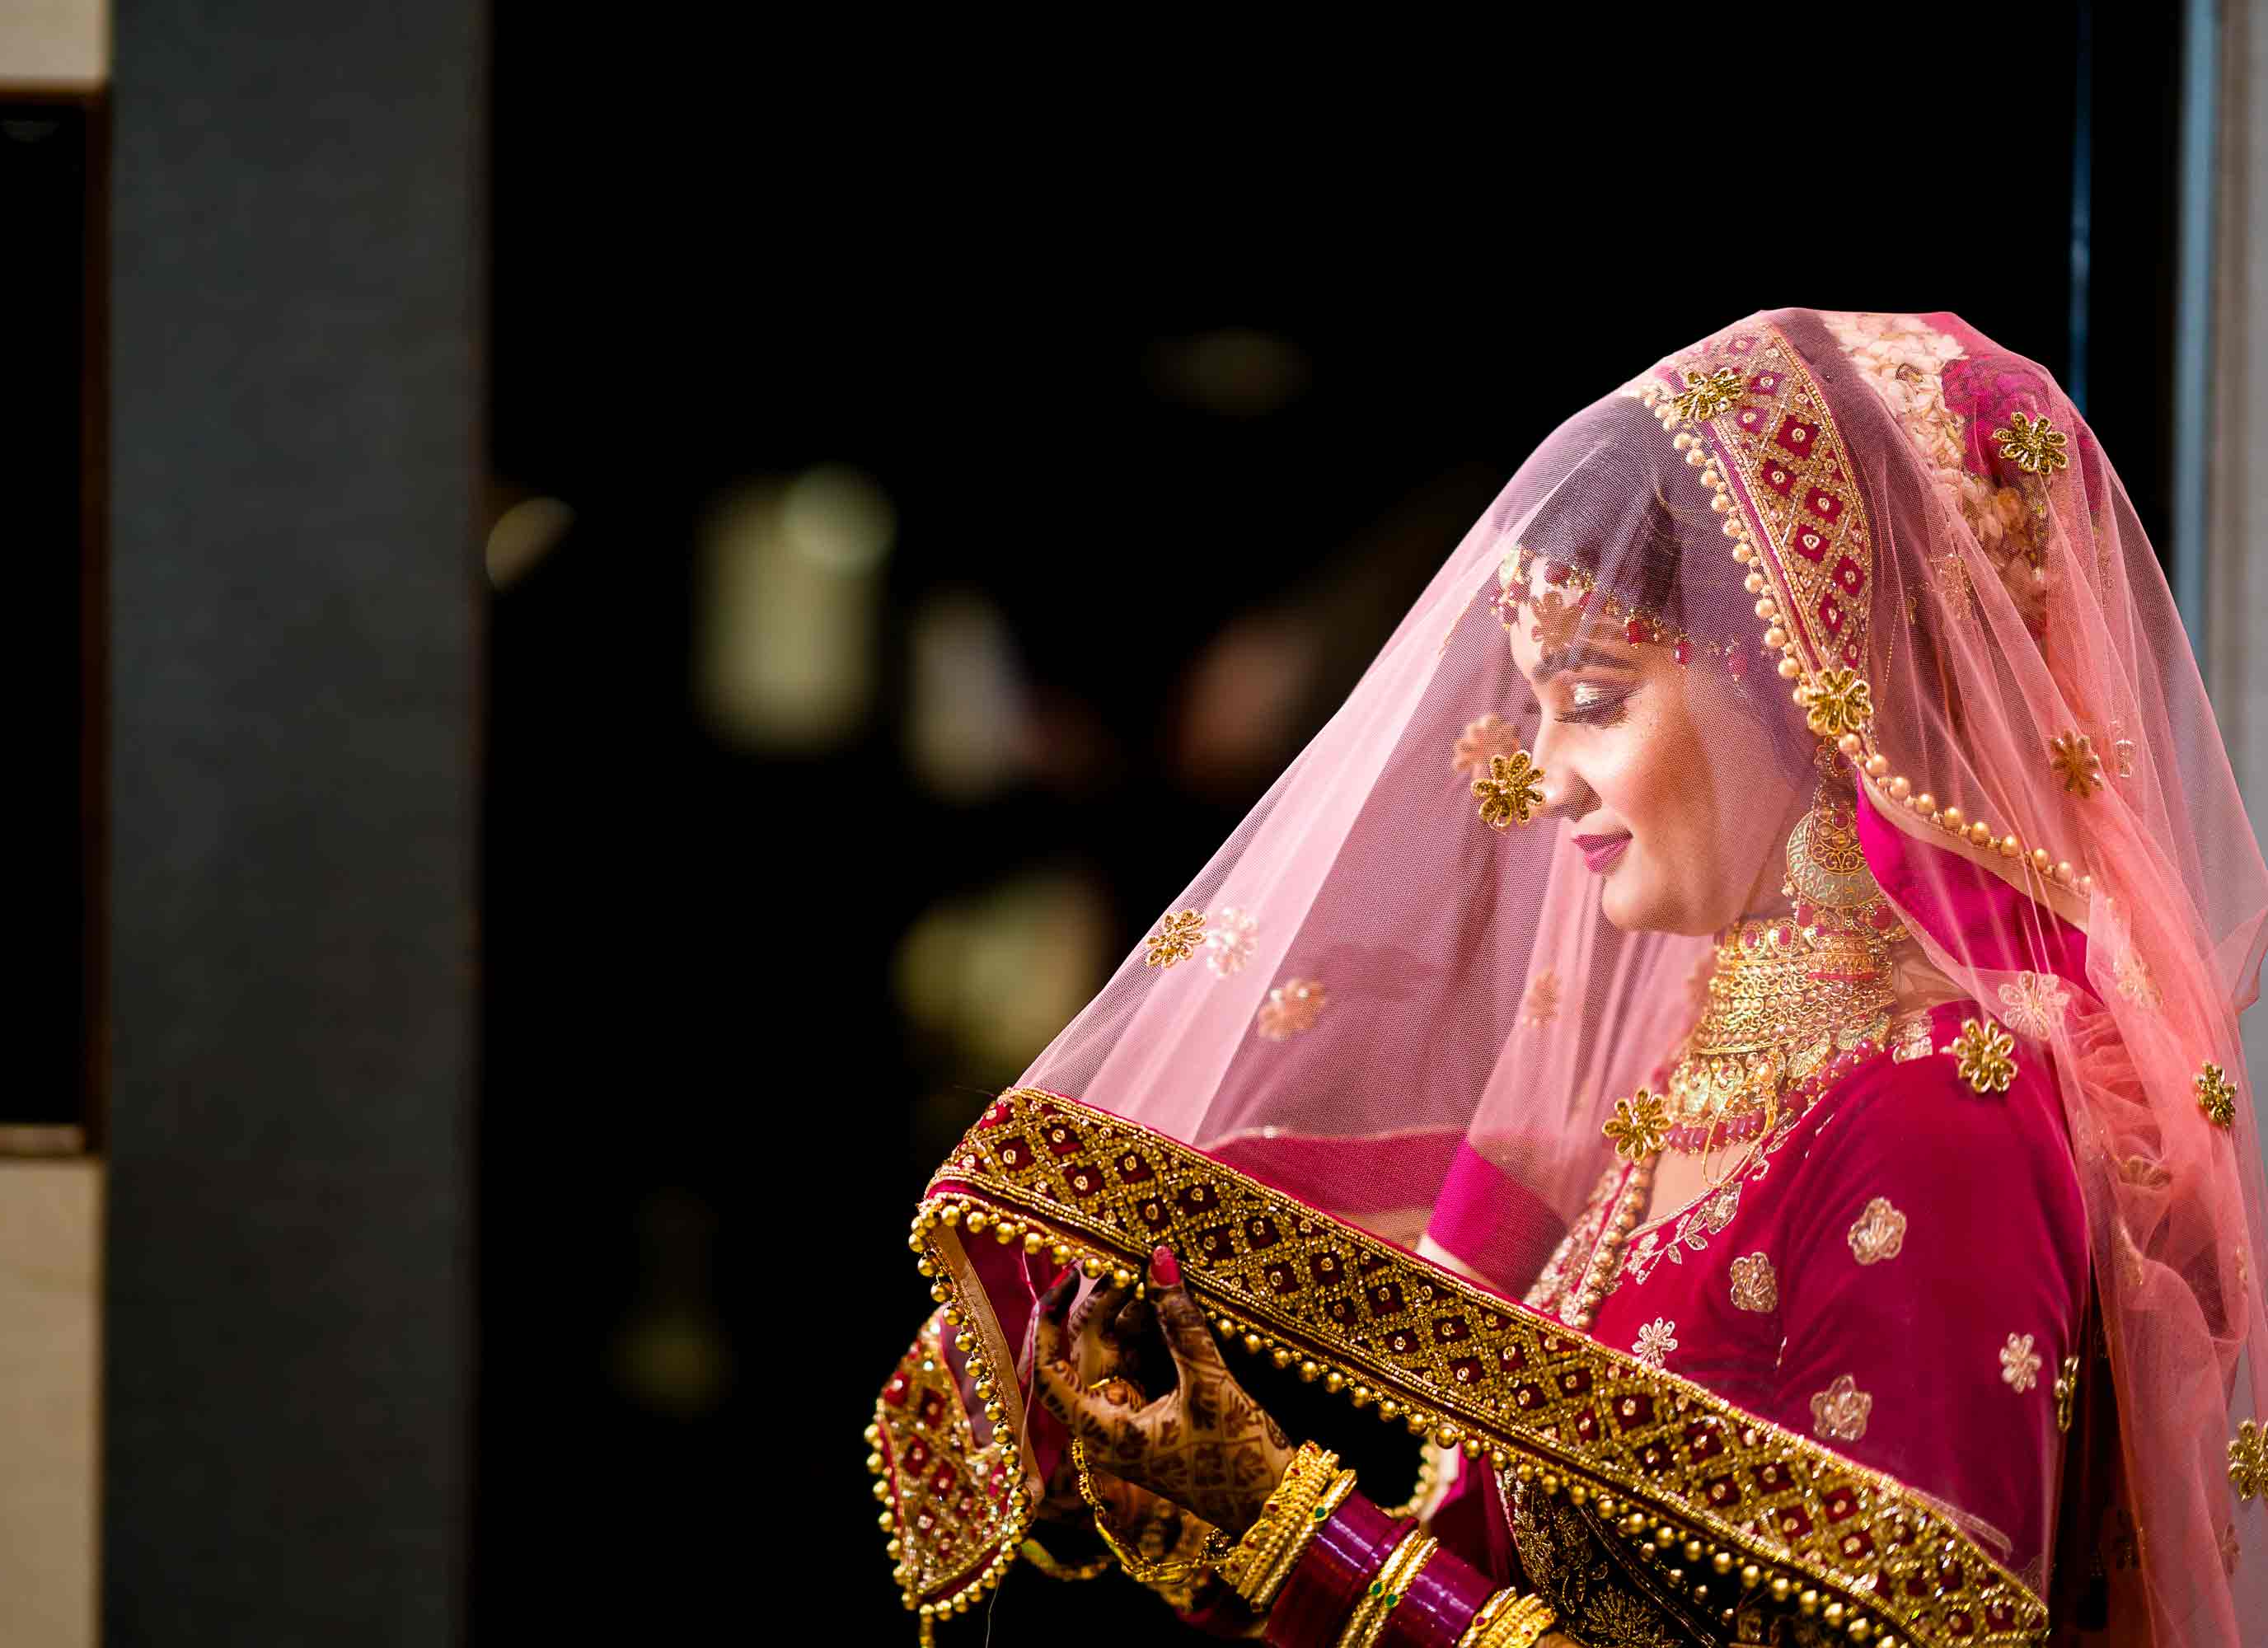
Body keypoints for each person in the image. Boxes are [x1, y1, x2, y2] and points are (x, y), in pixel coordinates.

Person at [864, 311, 2268, 1648]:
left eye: (1594, 701)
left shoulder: (1938, 1114)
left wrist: (1299, 1532)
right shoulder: (1682, 1093)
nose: (1543, 781)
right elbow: (1503, 1574)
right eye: (1537, 707)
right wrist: (1234, 1520)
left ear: (1807, 682)